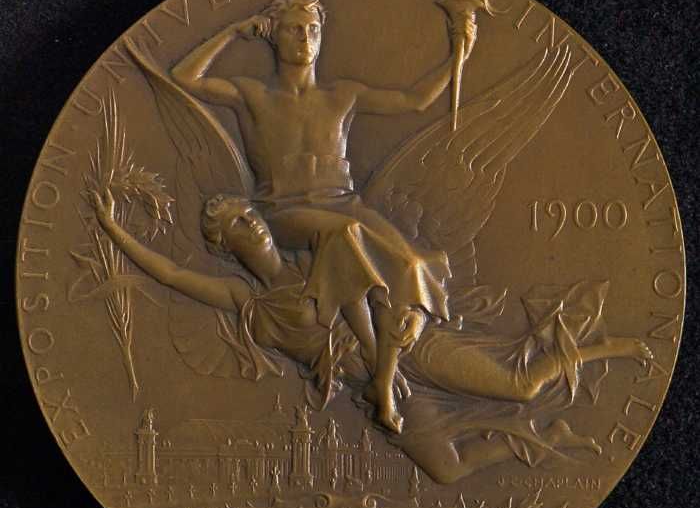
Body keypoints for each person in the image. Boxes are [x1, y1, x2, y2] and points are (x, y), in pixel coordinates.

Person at [90, 189, 653, 450]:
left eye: (249, 213)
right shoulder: (246, 300)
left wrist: (403, 328)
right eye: (236, 224)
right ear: (224, 245)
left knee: (521, 388)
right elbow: (169, 273)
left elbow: (360, 258)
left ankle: (610, 348)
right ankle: (389, 390)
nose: (250, 223)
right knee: (447, 466)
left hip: (401, 351)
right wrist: (114, 230)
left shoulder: (314, 260)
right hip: (360, 382)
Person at [169, 0, 466, 432]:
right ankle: (377, 367)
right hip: (284, 211)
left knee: (411, 264)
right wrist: (234, 31)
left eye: (312, 30)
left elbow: (416, 100)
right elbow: (184, 76)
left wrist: (461, 53)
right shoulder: (252, 95)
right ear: (274, 36)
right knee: (344, 234)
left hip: (343, 203)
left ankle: (383, 382)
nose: (304, 38)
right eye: (293, 29)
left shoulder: (343, 94)